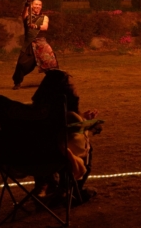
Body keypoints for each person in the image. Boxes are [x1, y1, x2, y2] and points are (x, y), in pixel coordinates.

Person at [32, 70, 101, 203]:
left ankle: (49, 186)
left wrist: (82, 118)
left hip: (30, 158)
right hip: (56, 157)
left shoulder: (33, 112)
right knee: (84, 147)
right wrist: (86, 123)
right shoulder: (67, 115)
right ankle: (72, 190)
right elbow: (74, 133)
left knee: (54, 145)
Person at [12, 0, 59, 90]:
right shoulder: (27, 16)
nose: (37, 6)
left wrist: (36, 26)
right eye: (35, 4)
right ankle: (17, 82)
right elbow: (24, 14)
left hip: (41, 43)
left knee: (50, 62)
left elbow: (45, 27)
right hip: (29, 44)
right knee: (21, 64)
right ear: (32, 6)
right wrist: (27, 3)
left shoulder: (44, 17)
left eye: (39, 5)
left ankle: (54, 81)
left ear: (41, 7)